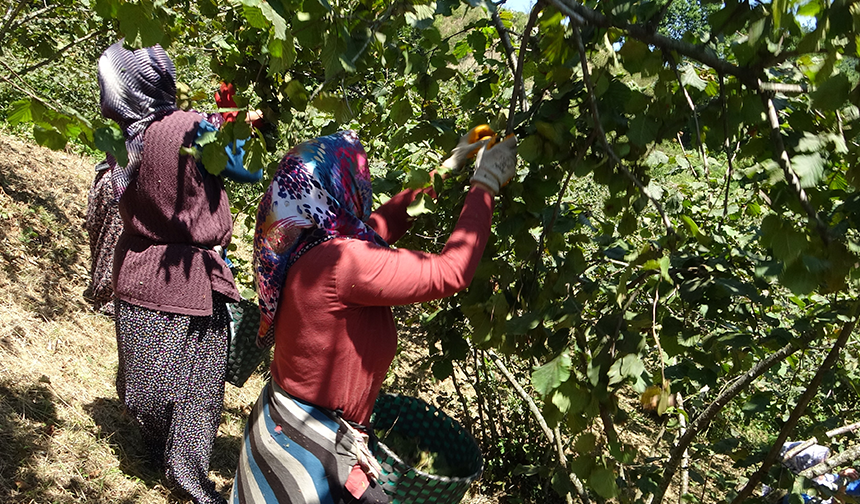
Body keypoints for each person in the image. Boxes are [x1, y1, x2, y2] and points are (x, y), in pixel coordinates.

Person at [230, 128, 518, 503]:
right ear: (339, 188)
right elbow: (451, 272)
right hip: (313, 449)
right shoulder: (344, 262)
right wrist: (485, 183)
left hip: (287, 424)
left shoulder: (309, 238)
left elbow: (383, 224)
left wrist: (448, 168)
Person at [98, 41, 262, 504]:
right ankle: (181, 461)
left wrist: (226, 115)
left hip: (146, 272)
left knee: (152, 385)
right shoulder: (189, 127)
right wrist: (229, 112)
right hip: (178, 274)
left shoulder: (120, 136)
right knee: (194, 385)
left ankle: (171, 457)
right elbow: (247, 171)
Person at [83, 154, 123, 316]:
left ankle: (101, 291)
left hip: (107, 176)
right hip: (123, 182)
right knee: (112, 244)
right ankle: (107, 300)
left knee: (103, 241)